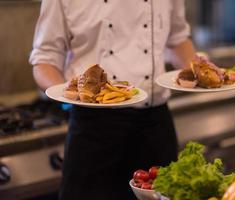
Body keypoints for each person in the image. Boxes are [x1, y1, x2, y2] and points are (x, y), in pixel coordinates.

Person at [29, 0, 196, 199]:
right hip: (93, 130)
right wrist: (66, 92)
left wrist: (200, 71)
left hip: (155, 128)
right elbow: (44, 60)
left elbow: (178, 39)